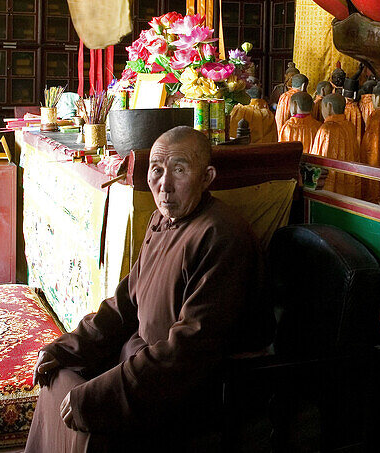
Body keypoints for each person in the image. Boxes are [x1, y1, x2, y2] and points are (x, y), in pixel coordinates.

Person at [25, 127, 270, 452]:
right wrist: (67, 347)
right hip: (145, 362)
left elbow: (191, 349)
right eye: (157, 170)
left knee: (90, 419)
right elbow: (125, 304)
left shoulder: (221, 236)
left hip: (190, 385)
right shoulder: (162, 219)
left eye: (180, 170)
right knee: (58, 373)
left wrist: (101, 397)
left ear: (207, 177)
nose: (164, 185)